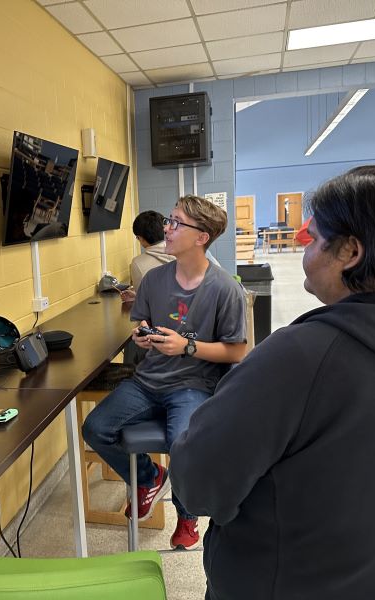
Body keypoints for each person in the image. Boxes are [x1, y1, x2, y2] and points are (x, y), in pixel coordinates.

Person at [170, 165, 375, 599]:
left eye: (315, 238)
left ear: (351, 252)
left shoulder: (301, 357)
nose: (305, 244)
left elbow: (198, 484)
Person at [82, 194, 247, 550]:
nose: (166, 229)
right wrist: (142, 334)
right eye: (168, 221)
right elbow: (141, 321)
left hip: (194, 384)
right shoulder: (153, 279)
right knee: (95, 428)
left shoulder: (225, 289)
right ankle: (148, 477)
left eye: (175, 223)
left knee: (181, 444)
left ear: (201, 237)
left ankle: (187, 515)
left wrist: (187, 346)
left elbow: (237, 350)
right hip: (147, 381)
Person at [120, 210, 222, 303]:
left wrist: (139, 297)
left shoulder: (138, 263)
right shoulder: (193, 251)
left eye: (175, 223)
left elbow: (147, 300)